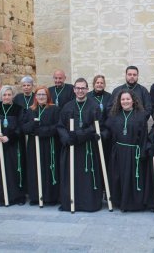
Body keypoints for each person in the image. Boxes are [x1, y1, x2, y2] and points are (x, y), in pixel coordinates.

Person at [57, 78, 103, 212]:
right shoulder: (67, 106)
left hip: (87, 147)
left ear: (87, 89)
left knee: (87, 176)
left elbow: (96, 126)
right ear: (74, 89)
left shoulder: (94, 106)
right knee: (71, 176)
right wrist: (67, 138)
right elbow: (60, 126)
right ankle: (69, 203)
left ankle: (88, 204)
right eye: (78, 88)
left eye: (83, 88)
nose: (80, 91)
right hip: (71, 147)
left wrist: (78, 135)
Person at [105, 90, 148, 211]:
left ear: (133, 100)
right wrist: (101, 134)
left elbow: (144, 135)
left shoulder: (140, 115)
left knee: (132, 177)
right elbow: (108, 131)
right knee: (119, 177)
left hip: (134, 152)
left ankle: (133, 204)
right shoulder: (114, 115)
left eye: (128, 99)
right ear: (119, 101)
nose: (125, 101)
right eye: (123, 99)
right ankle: (119, 202)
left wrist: (142, 153)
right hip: (118, 151)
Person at [0, 85, 26, 207]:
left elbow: (21, 127)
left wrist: (9, 137)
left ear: (13, 95)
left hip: (13, 146)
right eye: (4, 95)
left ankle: (15, 196)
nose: (6, 97)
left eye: (9, 94)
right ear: (1, 96)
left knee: (13, 170)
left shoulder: (19, 109)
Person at [22, 86, 60, 205]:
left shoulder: (54, 109)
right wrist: (33, 124)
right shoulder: (30, 110)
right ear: (35, 97)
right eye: (39, 95)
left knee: (49, 169)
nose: (41, 97)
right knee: (35, 169)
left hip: (50, 145)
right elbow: (24, 128)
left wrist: (43, 131)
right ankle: (36, 196)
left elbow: (57, 126)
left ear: (47, 96)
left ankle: (50, 197)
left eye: (43, 95)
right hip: (34, 146)